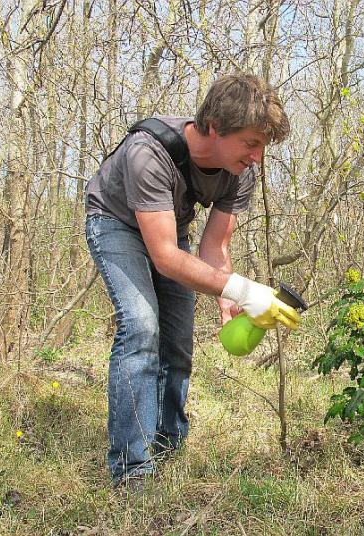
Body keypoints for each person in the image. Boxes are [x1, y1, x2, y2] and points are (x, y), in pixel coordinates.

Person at [84, 74, 301, 488]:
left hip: (169, 228)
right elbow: (166, 257)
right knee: (141, 327)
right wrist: (241, 288)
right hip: (115, 222)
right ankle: (132, 469)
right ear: (215, 127)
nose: (257, 157)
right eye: (251, 143)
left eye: (263, 146)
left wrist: (228, 297)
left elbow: (215, 244)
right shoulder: (149, 153)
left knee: (179, 340)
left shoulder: (240, 172)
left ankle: (168, 446)